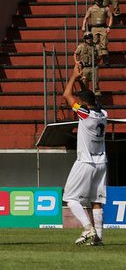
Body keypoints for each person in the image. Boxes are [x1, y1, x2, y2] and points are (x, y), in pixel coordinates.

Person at [61, 63, 108, 246]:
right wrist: (82, 82)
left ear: (84, 103)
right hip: (102, 161)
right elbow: (91, 100)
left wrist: (73, 76)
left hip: (86, 161)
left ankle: (88, 229)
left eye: (80, 100)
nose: (77, 102)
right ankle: (98, 238)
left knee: (70, 198)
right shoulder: (103, 113)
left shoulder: (85, 114)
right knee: (97, 201)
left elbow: (66, 95)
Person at [81, 0, 113, 66]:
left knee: (104, 43)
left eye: (100, 0)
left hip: (103, 27)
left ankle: (105, 58)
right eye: (97, 0)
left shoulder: (106, 8)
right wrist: (83, 26)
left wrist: (109, 27)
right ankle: (94, 58)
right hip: (94, 28)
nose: (98, 1)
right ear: (95, 0)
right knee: (94, 43)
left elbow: (111, 17)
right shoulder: (91, 9)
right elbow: (86, 18)